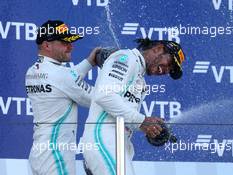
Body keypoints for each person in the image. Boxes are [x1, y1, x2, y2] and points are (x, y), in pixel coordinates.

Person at [80, 38, 185, 175]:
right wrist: (142, 121)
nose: (166, 70)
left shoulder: (138, 74)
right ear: (158, 48)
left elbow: (123, 115)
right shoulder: (126, 58)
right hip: (104, 141)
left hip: (116, 145)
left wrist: (151, 129)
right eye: (170, 63)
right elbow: (104, 95)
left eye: (171, 70)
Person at [25, 20, 101, 175]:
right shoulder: (61, 75)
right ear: (47, 45)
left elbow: (67, 80)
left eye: (70, 42)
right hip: (57, 156)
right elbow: (99, 99)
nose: (70, 46)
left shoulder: (32, 70)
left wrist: (89, 62)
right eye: (64, 42)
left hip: (39, 153)